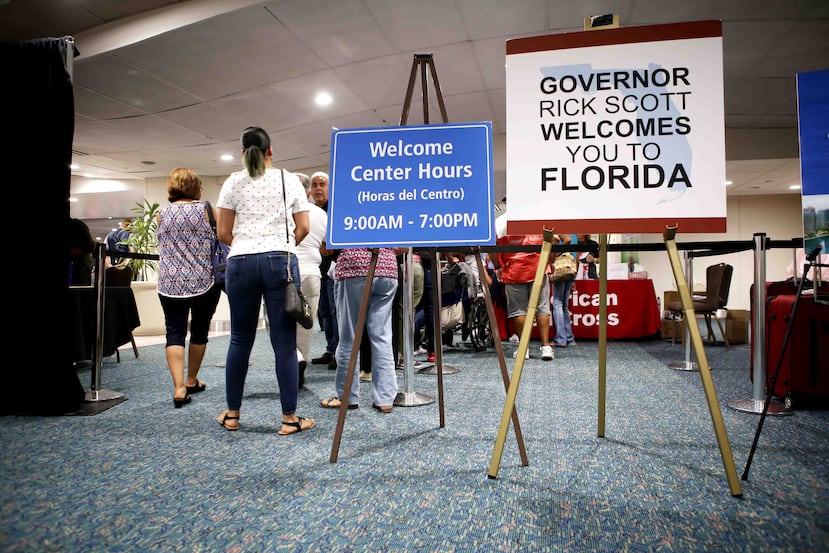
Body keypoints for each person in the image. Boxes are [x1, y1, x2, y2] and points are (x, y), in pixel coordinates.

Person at [215, 126, 314, 435]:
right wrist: (283, 245)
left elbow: (222, 232)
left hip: (240, 262)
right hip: (279, 260)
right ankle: (289, 419)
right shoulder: (289, 180)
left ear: (243, 153)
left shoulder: (232, 182)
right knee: (284, 343)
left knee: (240, 340)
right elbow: (304, 227)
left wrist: (246, 246)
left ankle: (232, 415)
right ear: (270, 151)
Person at [156, 168, 223, 408]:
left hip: (169, 282)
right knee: (199, 330)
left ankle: (178, 388)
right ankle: (191, 378)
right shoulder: (206, 209)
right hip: (203, 281)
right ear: (196, 187)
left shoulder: (162, 214)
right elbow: (221, 237)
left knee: (173, 333)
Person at [320, 247, 401, 414]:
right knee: (382, 337)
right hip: (387, 267)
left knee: (349, 336)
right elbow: (403, 247)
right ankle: (385, 399)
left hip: (353, 267)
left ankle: (347, 398)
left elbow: (328, 247)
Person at [492, 211, 554, 361]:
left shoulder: (501, 221)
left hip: (514, 270)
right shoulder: (538, 216)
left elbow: (492, 247)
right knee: (542, 307)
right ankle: (545, 347)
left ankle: (523, 348)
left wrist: (498, 266)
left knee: (518, 310)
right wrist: (549, 261)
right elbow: (555, 239)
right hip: (538, 268)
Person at [294, 172, 327, 387]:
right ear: (308, 191)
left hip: (284, 270)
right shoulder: (321, 214)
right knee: (306, 321)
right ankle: (301, 358)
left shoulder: (281, 211)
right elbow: (329, 246)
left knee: (276, 320)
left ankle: (293, 357)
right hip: (312, 272)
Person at [310, 171, 338, 371]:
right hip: (317, 268)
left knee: (337, 312)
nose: (318, 188)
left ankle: (339, 352)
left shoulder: (336, 209)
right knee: (325, 311)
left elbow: (330, 246)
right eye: (314, 185)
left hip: (335, 268)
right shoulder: (309, 212)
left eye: (322, 184)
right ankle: (330, 349)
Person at [551, 233, 576, 348]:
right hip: (570, 268)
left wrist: (555, 256)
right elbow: (575, 255)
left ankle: (561, 338)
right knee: (564, 305)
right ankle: (569, 338)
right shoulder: (574, 232)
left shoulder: (559, 227)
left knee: (557, 303)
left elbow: (567, 240)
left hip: (560, 268)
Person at [68, 218, 94, 286]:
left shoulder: (76, 224)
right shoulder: (77, 224)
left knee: (78, 290)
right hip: (80, 265)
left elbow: (90, 245)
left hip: (80, 266)